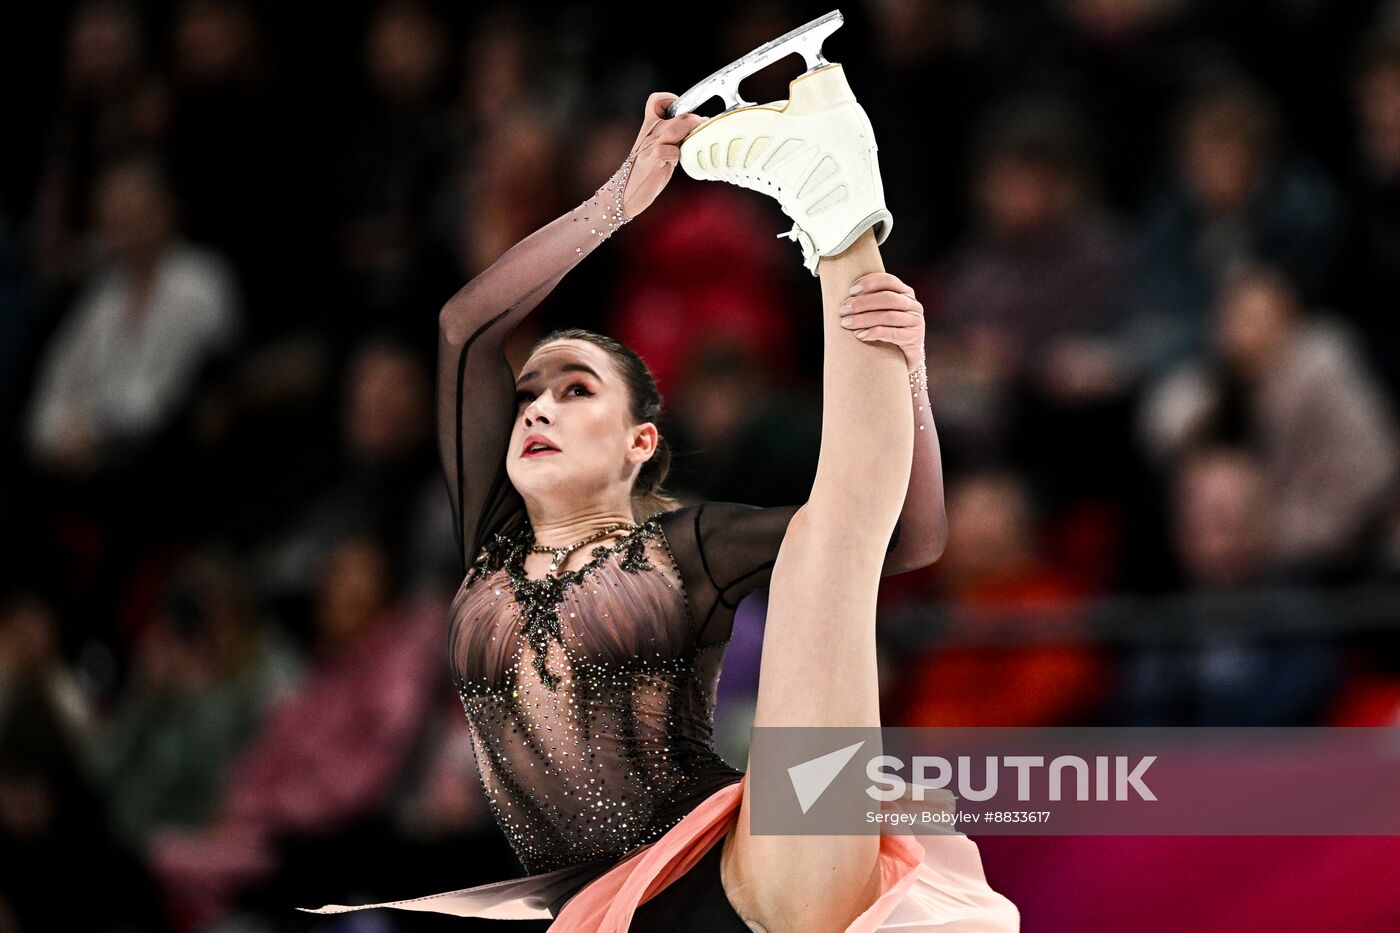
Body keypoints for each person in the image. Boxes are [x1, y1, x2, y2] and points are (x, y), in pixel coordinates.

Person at [302, 75, 1018, 931]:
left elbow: (906, 537)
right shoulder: (494, 540)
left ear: (638, 443)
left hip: (739, 869)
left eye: (576, 392)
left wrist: (913, 377)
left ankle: (837, 207)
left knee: (824, 553)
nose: (536, 407)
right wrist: (618, 200)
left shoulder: (687, 545)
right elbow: (466, 328)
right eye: (531, 394)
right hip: (603, 910)